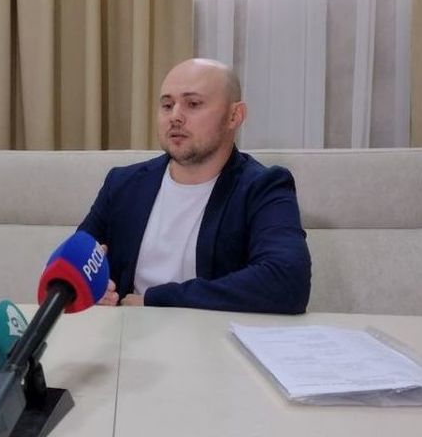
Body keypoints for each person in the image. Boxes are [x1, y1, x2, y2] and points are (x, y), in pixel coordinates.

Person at [78, 58, 311, 314]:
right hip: (125, 331)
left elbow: (287, 281)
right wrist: (91, 288)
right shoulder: (123, 184)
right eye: (167, 105)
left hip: (212, 335)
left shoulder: (263, 187)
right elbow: (71, 265)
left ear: (234, 116)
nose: (175, 117)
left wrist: (157, 299)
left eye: (193, 104)